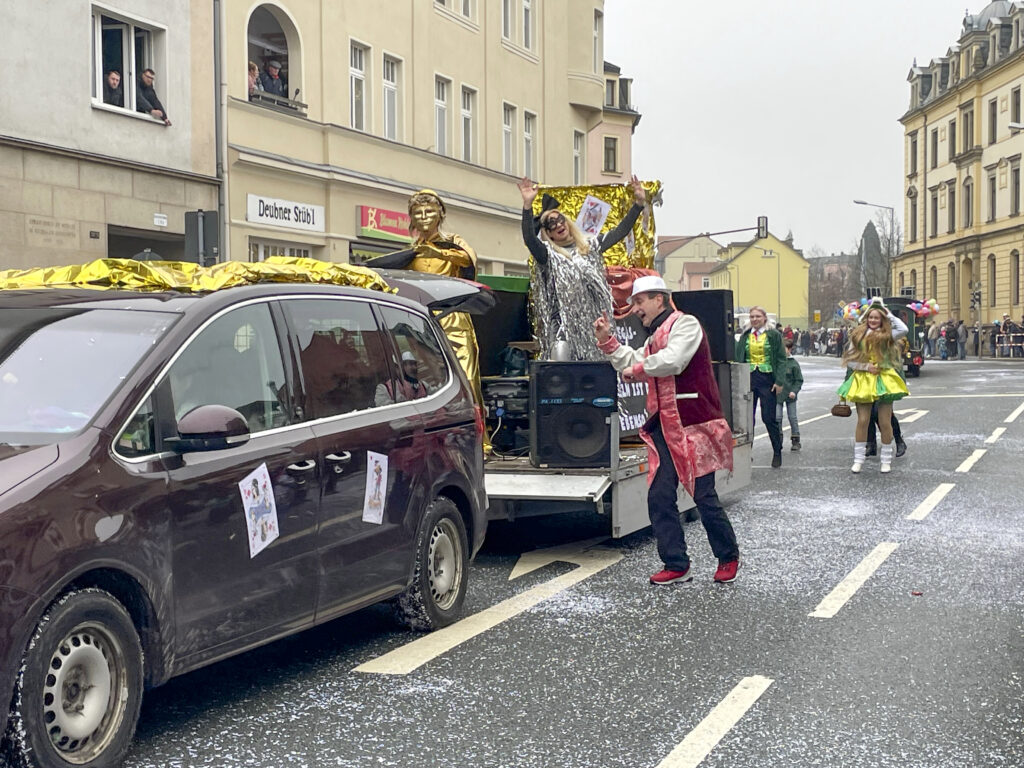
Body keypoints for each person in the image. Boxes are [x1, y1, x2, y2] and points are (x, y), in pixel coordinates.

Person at [593, 275, 739, 585]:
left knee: (704, 496)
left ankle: (727, 555)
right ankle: (676, 563)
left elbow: (672, 361)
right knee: (659, 496)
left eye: (639, 301)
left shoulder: (686, 325)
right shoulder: (655, 336)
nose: (635, 309)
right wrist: (609, 342)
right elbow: (637, 359)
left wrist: (636, 368)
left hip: (694, 425)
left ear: (659, 299)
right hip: (666, 426)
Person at [517, 175, 646, 361]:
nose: (558, 225)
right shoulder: (549, 256)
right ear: (549, 234)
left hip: (595, 326)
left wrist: (638, 204)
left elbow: (620, 232)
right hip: (564, 330)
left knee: (597, 374)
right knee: (565, 372)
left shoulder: (590, 247)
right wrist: (527, 206)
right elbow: (530, 239)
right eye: (551, 225)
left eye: (560, 220)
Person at [837, 302, 909, 474]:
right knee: (863, 420)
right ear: (866, 319)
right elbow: (851, 360)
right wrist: (866, 367)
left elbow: (904, 329)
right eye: (871, 317)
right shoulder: (858, 336)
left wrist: (888, 313)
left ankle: (886, 460)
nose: (874, 320)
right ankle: (858, 460)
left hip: (884, 378)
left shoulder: (888, 335)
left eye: (877, 317)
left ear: (882, 319)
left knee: (885, 421)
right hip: (863, 379)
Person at [734, 306, 786, 468]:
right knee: (747, 420)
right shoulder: (745, 336)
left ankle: (777, 450)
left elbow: (781, 359)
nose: (754, 319)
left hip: (767, 379)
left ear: (764, 318)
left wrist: (779, 381)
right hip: (748, 379)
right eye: (752, 317)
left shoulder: (774, 335)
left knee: (769, 418)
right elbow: (738, 357)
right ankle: (746, 454)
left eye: (757, 316)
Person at [776, 338, 803, 451]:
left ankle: (796, 440)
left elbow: (798, 380)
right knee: (777, 417)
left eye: (785, 349)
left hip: (790, 395)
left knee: (792, 417)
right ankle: (778, 440)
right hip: (778, 395)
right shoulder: (777, 362)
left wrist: (794, 391)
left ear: (790, 349)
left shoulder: (793, 364)